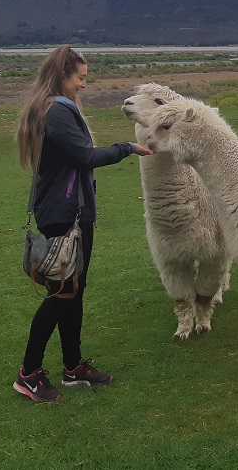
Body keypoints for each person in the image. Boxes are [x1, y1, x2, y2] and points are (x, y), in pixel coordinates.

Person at [13, 45, 153, 402]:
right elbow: (85, 156)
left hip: (69, 212)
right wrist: (127, 148)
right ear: (63, 77)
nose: (84, 85)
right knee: (62, 294)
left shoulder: (52, 107)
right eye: (81, 78)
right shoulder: (57, 111)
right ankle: (28, 373)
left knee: (73, 291)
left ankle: (73, 366)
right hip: (64, 214)